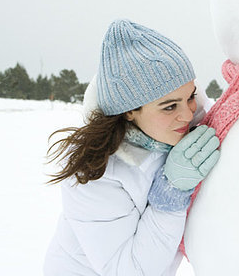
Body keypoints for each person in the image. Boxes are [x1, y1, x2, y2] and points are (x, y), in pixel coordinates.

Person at [43, 19, 220, 276]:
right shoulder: (94, 174)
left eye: (190, 96)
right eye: (170, 106)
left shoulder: (182, 126)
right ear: (128, 112)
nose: (186, 113)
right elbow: (128, 270)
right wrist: (170, 192)